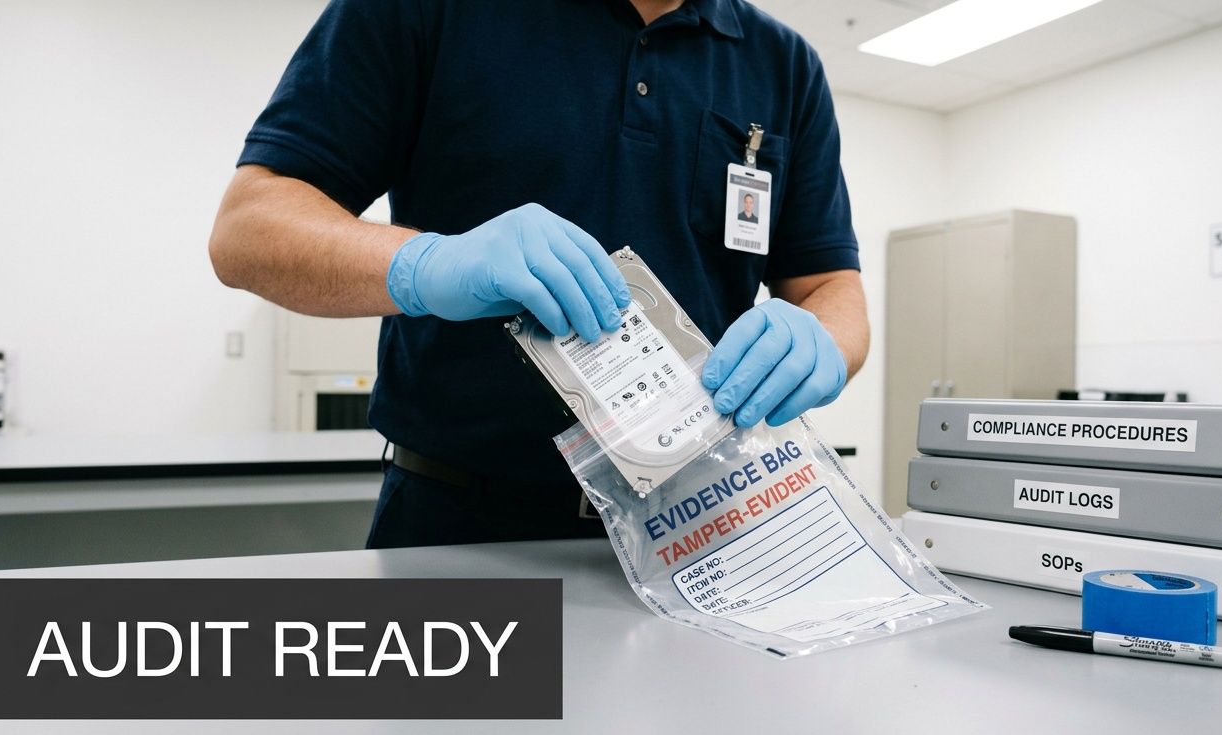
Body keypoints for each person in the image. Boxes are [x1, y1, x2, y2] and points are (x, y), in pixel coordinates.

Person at [208, 0, 869, 548]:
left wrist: (821, 341)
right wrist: (428, 264)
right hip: (461, 525)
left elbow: (828, 286)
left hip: (701, 526)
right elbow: (248, 229)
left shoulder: (783, 65)